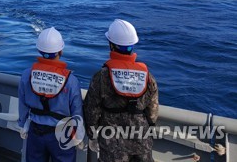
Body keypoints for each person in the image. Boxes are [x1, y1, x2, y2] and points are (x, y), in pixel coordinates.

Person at [83, 19, 159, 162]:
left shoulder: (101, 77)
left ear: (111, 45)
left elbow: (91, 111)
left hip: (112, 145)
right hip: (141, 142)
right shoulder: (148, 77)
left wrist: (92, 134)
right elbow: (153, 113)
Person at [18, 27, 84, 162]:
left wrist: (23, 125)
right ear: (61, 51)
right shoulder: (71, 81)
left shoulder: (27, 75)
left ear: (39, 51)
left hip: (35, 132)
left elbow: (23, 104)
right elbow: (77, 111)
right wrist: (78, 135)